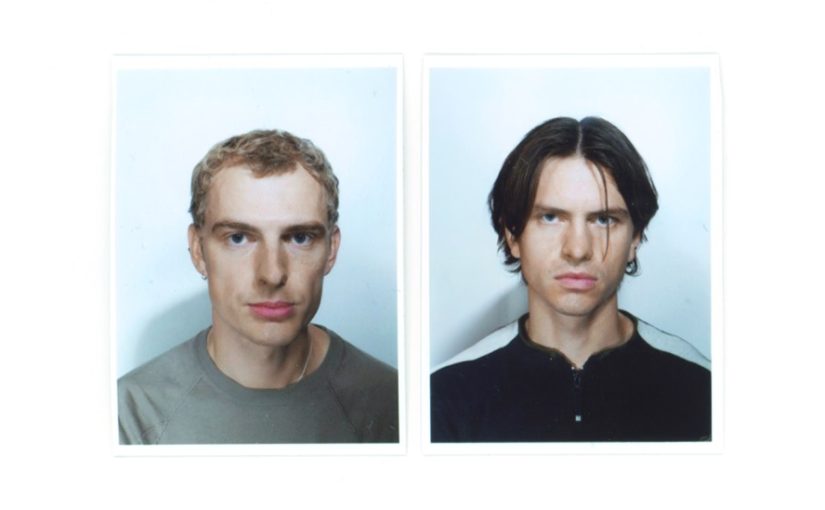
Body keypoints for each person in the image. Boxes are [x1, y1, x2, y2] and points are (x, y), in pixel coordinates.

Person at [430, 116, 711, 442]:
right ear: (512, 235)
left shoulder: (707, 391)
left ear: (636, 237)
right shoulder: (445, 397)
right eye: (550, 217)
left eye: (604, 220)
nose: (577, 249)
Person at [118, 130, 398, 444]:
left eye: (300, 238)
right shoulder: (131, 414)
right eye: (238, 238)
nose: (272, 274)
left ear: (331, 250)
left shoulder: (396, 404)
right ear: (198, 250)